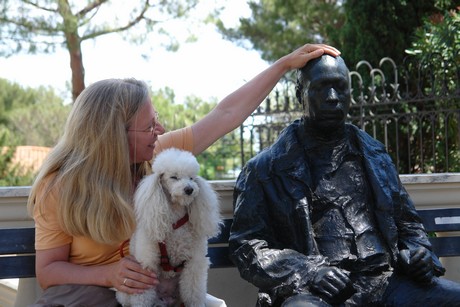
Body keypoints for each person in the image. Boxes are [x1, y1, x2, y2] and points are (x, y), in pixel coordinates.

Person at [26, 43, 340, 306]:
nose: (158, 131)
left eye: (157, 121)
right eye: (149, 126)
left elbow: (225, 115)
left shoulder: (158, 159)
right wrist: (107, 274)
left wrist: (283, 65)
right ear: (114, 135)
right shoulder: (59, 187)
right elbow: (49, 271)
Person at [229, 54, 460, 306]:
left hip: (386, 282)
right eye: (320, 89)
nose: (332, 98)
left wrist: (419, 253)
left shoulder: (375, 155)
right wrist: (309, 271)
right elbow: (247, 248)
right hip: (315, 292)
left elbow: (409, 225)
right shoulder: (264, 170)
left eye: (340, 88)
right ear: (300, 94)